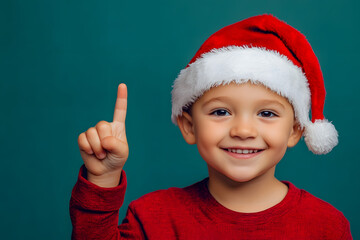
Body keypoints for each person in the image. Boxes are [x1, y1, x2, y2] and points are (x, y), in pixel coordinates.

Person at [70, 14, 353, 239]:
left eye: (266, 113)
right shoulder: (153, 218)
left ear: (295, 130)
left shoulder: (326, 226)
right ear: (189, 126)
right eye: (221, 111)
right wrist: (103, 179)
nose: (243, 130)